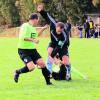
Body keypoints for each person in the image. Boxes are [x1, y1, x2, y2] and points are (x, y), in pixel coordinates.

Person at [14, 13, 52, 85]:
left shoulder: (32, 27)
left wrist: (43, 29)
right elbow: (23, 37)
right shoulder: (25, 26)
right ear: (35, 19)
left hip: (32, 50)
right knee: (31, 68)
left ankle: (48, 82)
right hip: (23, 50)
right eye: (38, 20)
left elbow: (35, 35)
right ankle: (17, 72)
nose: (38, 21)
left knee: (42, 64)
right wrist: (33, 40)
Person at [37, 4, 71, 80]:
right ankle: (49, 72)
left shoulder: (63, 37)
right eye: (58, 30)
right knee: (49, 51)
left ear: (63, 30)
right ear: (56, 27)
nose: (58, 32)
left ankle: (68, 73)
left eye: (60, 31)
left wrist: (56, 58)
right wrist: (41, 11)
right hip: (53, 43)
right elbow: (47, 16)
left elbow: (58, 48)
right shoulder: (53, 24)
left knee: (65, 62)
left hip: (63, 46)